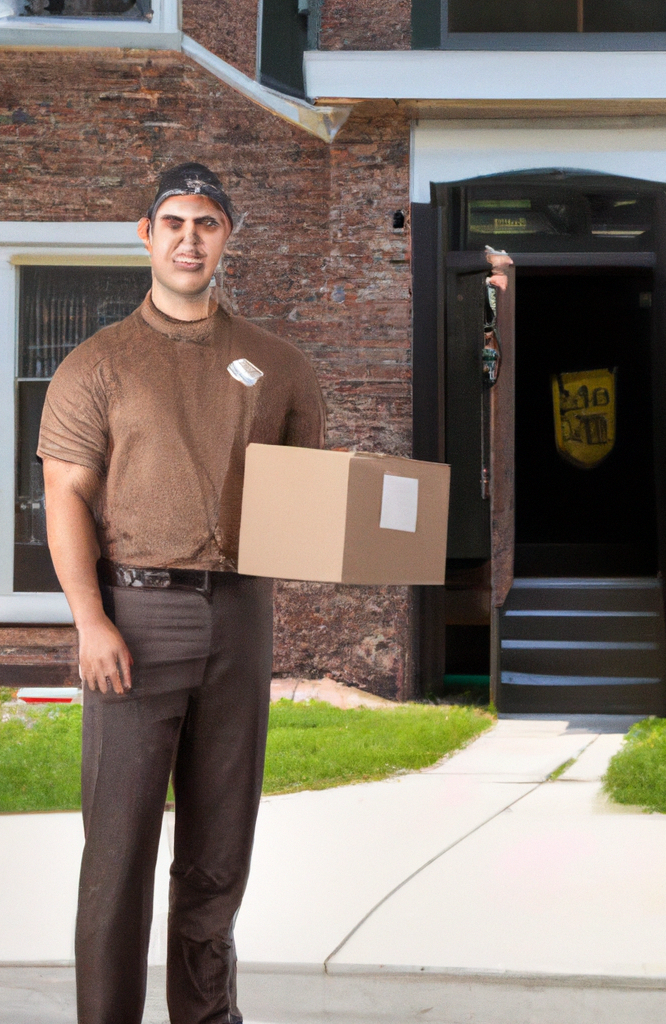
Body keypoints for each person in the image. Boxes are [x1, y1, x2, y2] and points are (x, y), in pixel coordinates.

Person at [38, 163, 326, 1024]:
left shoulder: (280, 367)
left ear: (227, 237)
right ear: (147, 236)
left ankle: (206, 1018)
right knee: (119, 852)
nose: (190, 238)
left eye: (207, 223)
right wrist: (90, 619)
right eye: (174, 222)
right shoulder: (98, 365)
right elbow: (65, 499)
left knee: (218, 850)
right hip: (137, 615)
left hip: (241, 612)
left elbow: (309, 498)